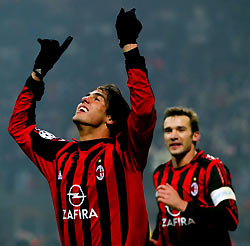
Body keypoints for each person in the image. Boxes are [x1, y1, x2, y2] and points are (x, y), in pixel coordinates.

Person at [9, 8, 156, 246]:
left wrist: (130, 48)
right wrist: (36, 76)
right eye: (86, 95)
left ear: (110, 118)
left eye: (97, 98)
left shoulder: (125, 151)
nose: (84, 99)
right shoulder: (58, 154)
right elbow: (18, 126)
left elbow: (145, 111)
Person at [150, 107, 238, 246]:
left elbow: (229, 217)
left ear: (195, 135)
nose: (173, 135)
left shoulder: (211, 167)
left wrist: (182, 205)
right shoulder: (160, 173)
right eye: (168, 130)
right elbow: (165, 219)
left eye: (181, 129)